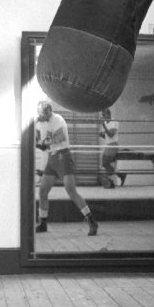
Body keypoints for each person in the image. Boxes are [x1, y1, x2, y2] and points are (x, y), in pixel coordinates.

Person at [35, 100, 98, 236]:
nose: (42, 117)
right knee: (43, 190)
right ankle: (43, 223)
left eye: (43, 114)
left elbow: (60, 137)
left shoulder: (57, 119)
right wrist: (40, 143)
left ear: (48, 111)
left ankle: (91, 220)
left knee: (71, 191)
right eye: (40, 114)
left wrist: (45, 142)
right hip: (52, 157)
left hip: (63, 156)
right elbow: (45, 143)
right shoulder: (42, 124)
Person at [98, 108, 126, 189]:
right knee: (105, 163)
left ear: (109, 114)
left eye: (104, 115)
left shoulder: (114, 122)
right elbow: (107, 136)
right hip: (108, 145)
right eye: (102, 115)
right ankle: (119, 175)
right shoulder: (106, 123)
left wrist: (103, 126)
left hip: (113, 145)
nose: (103, 117)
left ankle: (115, 178)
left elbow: (111, 134)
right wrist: (102, 134)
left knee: (104, 162)